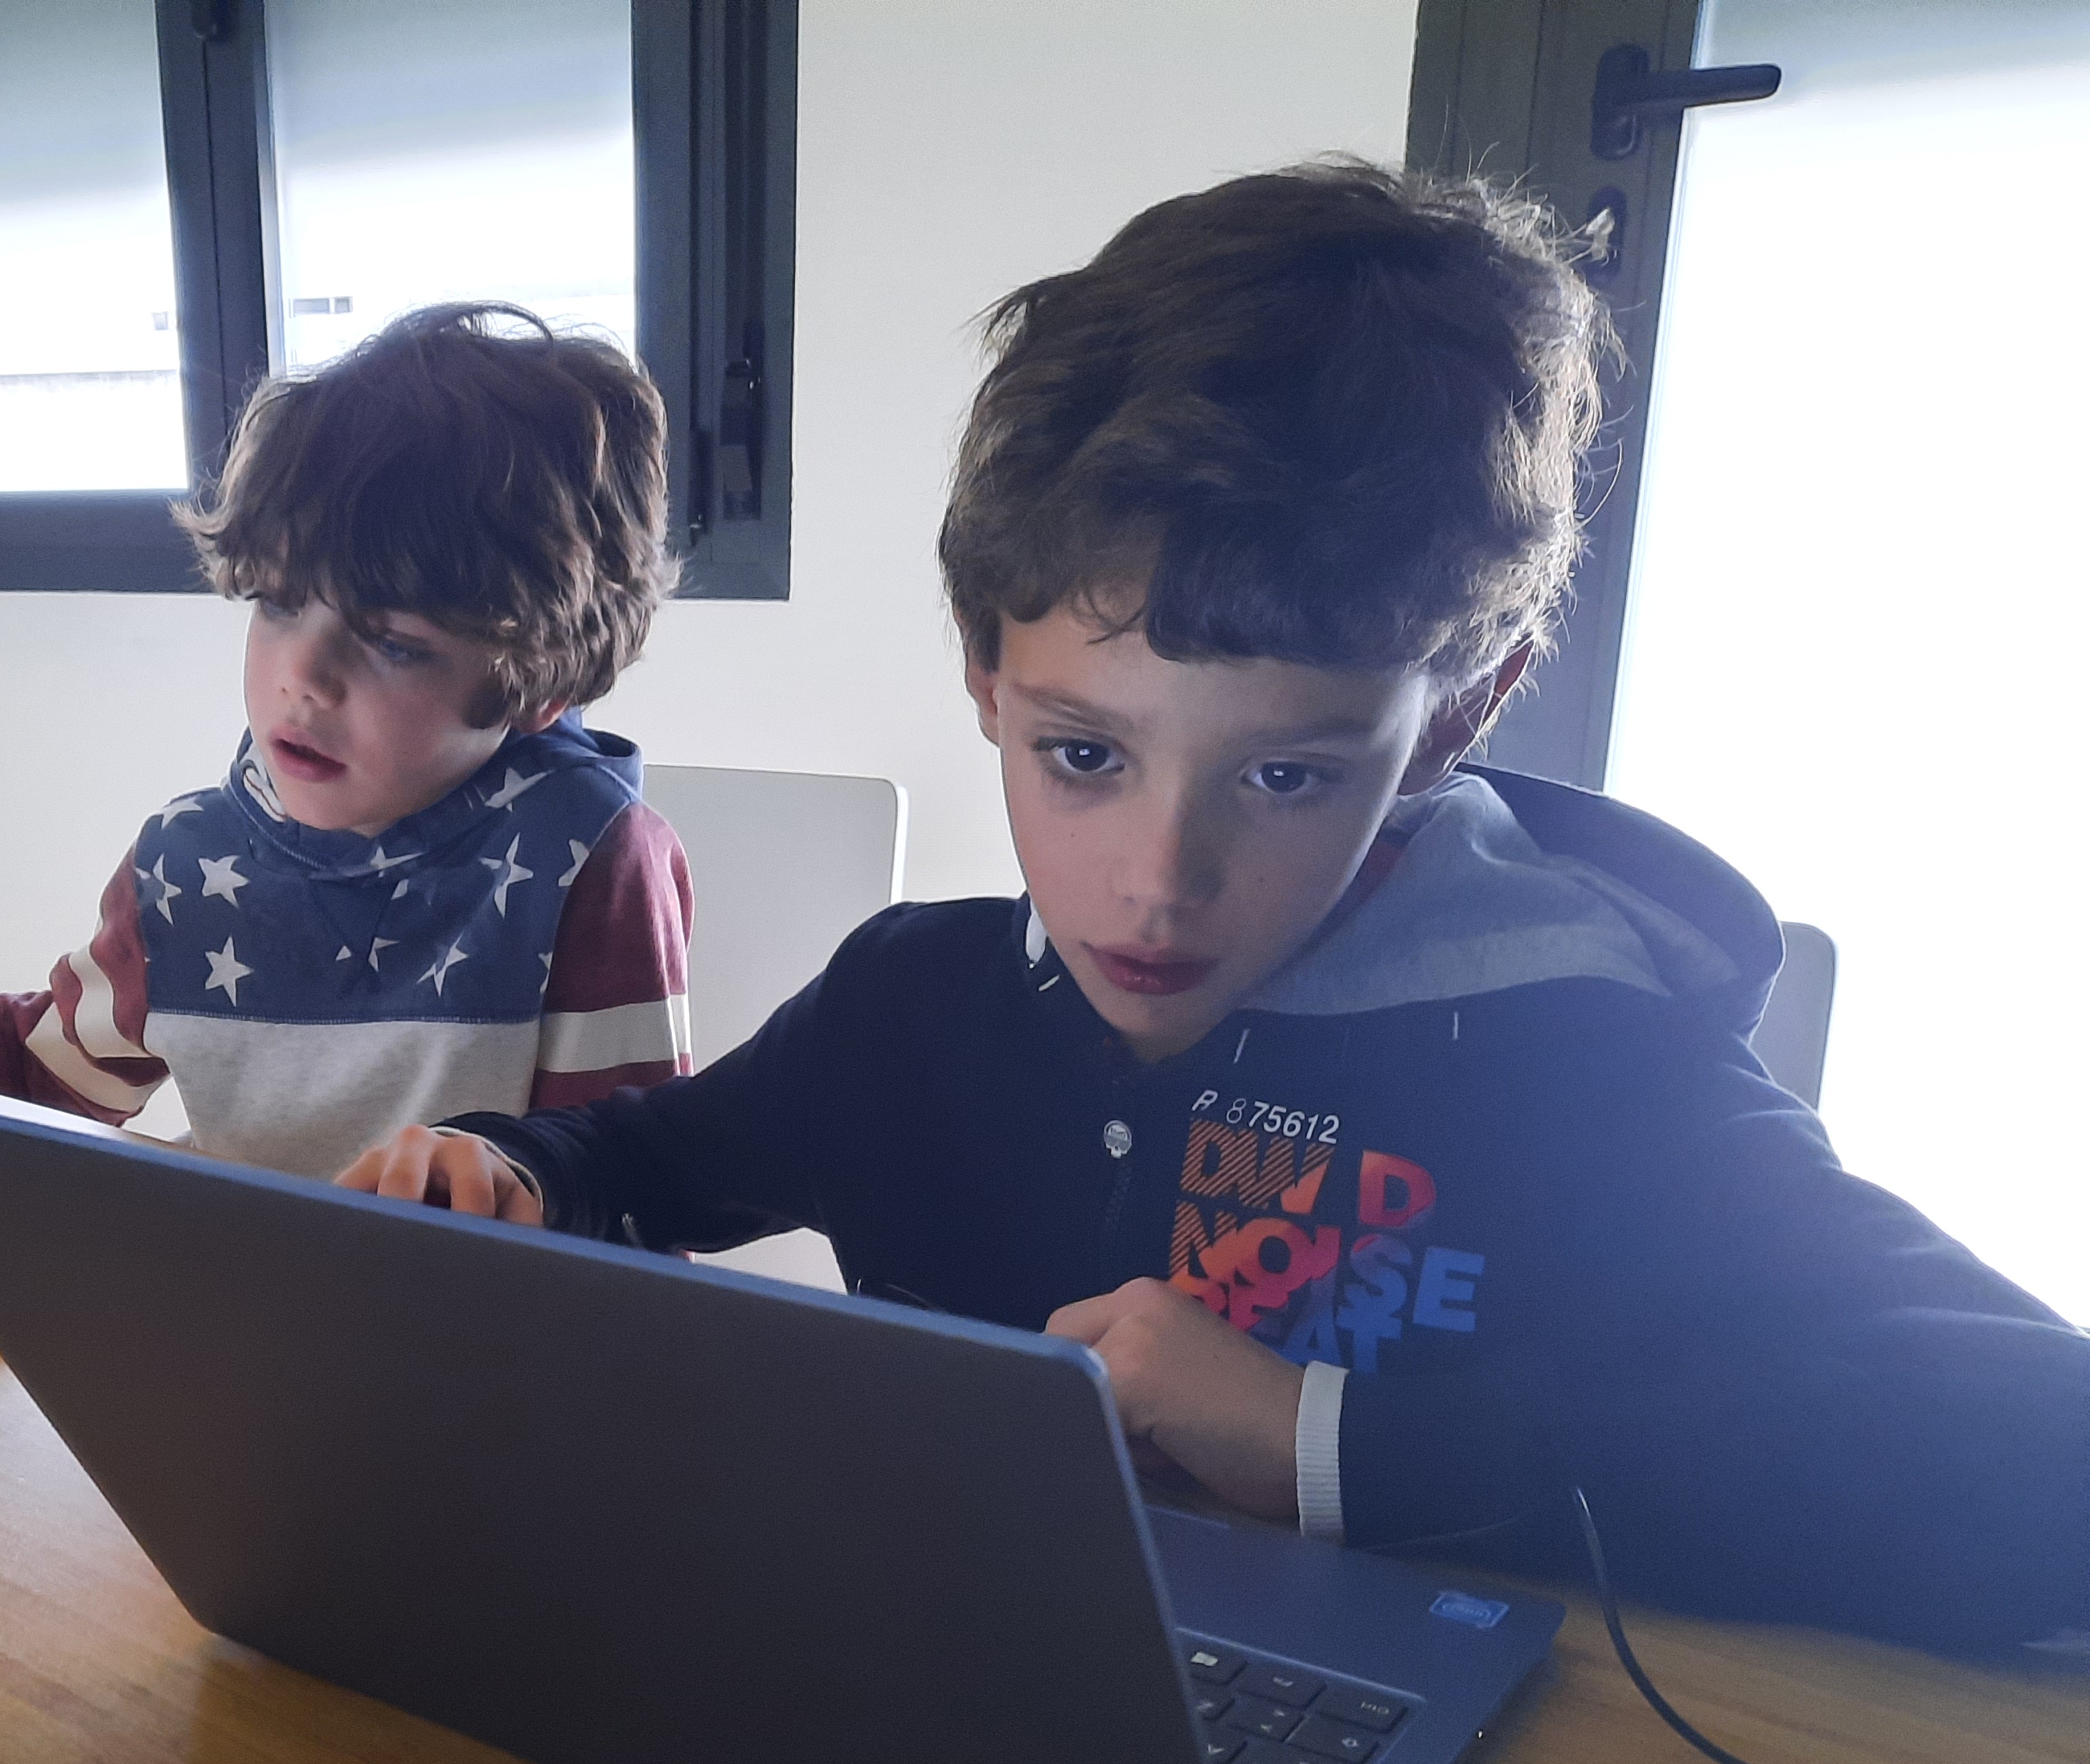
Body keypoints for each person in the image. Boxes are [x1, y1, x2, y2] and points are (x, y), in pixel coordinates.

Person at [342, 162, 2088, 1649]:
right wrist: (505, 1175)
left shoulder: (1580, 1071)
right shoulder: (911, 1005)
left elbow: (2046, 1459)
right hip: (959, 1718)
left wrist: (1325, 1442)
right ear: (982, 673)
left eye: (1286, 776)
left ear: (1454, 716)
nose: (1155, 886)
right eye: (1083, 755)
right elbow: (649, 1164)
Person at [0, 304, 691, 1179]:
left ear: (542, 682)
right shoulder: (190, 863)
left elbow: (631, 1197)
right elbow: (37, 1068)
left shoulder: (588, 862)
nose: (303, 678)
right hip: (241, 1341)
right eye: (278, 603)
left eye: (394, 643)